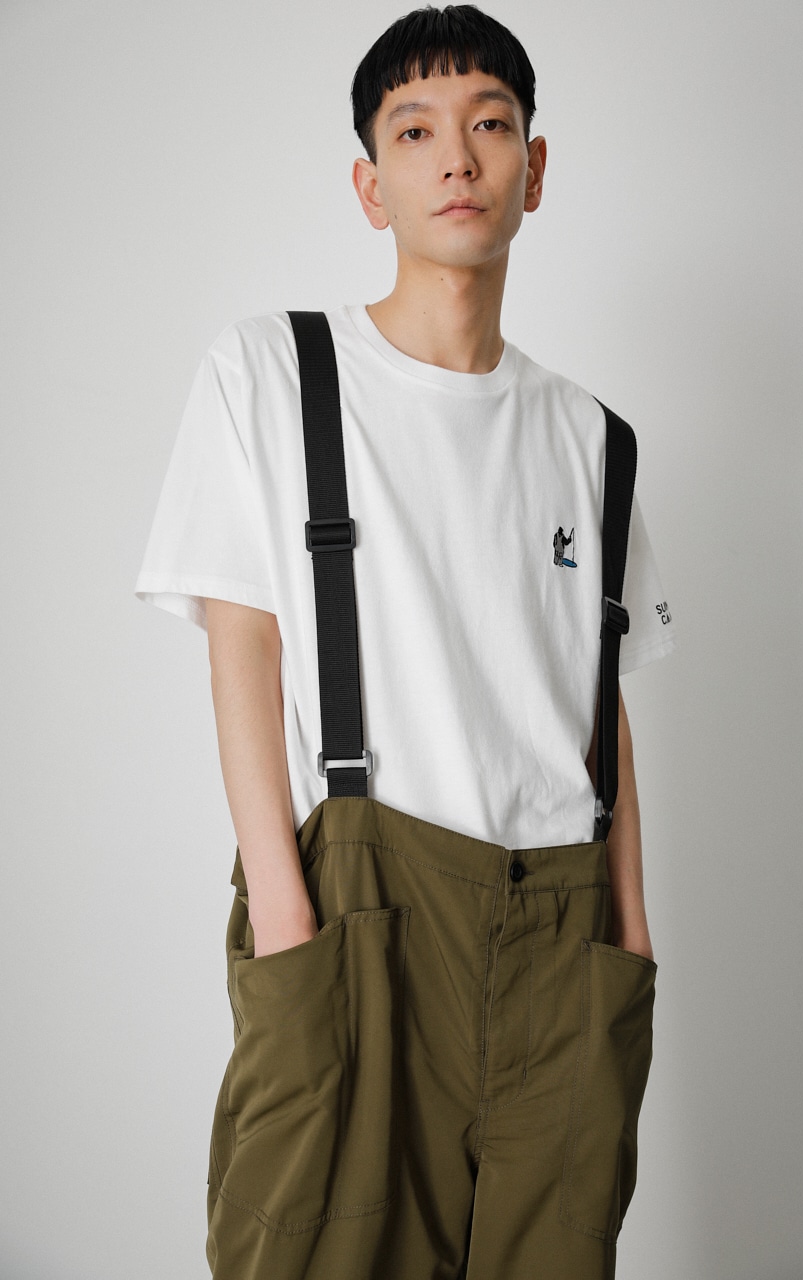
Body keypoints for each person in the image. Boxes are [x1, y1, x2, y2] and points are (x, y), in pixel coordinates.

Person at [136, 6, 675, 1277]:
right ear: (370, 184)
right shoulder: (272, 373)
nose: (458, 157)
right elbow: (242, 645)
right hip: (359, 912)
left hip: (562, 923)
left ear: (533, 168)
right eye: (416, 131)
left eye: (490, 124)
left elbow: (596, 696)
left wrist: (630, 933)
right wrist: (289, 916)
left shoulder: (593, 437)